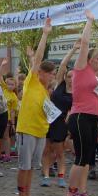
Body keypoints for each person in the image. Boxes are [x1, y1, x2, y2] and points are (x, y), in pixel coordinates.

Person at [14, 17, 55, 196]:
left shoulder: (46, 91)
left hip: (40, 131)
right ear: (41, 73)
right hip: (27, 130)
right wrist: (45, 34)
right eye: (51, 73)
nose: (53, 76)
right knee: (24, 166)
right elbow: (37, 59)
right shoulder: (32, 82)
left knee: (32, 167)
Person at [65, 10, 98, 196]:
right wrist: (89, 21)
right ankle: (71, 193)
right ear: (89, 59)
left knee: (87, 158)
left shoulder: (94, 76)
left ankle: (82, 191)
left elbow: (95, 100)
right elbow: (85, 43)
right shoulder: (80, 68)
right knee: (80, 157)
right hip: (79, 116)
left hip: (92, 118)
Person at [42, 42, 77, 188]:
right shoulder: (59, 85)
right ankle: (46, 176)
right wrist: (74, 49)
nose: (70, 79)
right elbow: (63, 65)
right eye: (68, 76)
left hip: (62, 123)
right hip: (48, 120)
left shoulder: (77, 92)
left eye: (73, 77)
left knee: (60, 152)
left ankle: (61, 177)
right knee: (46, 150)